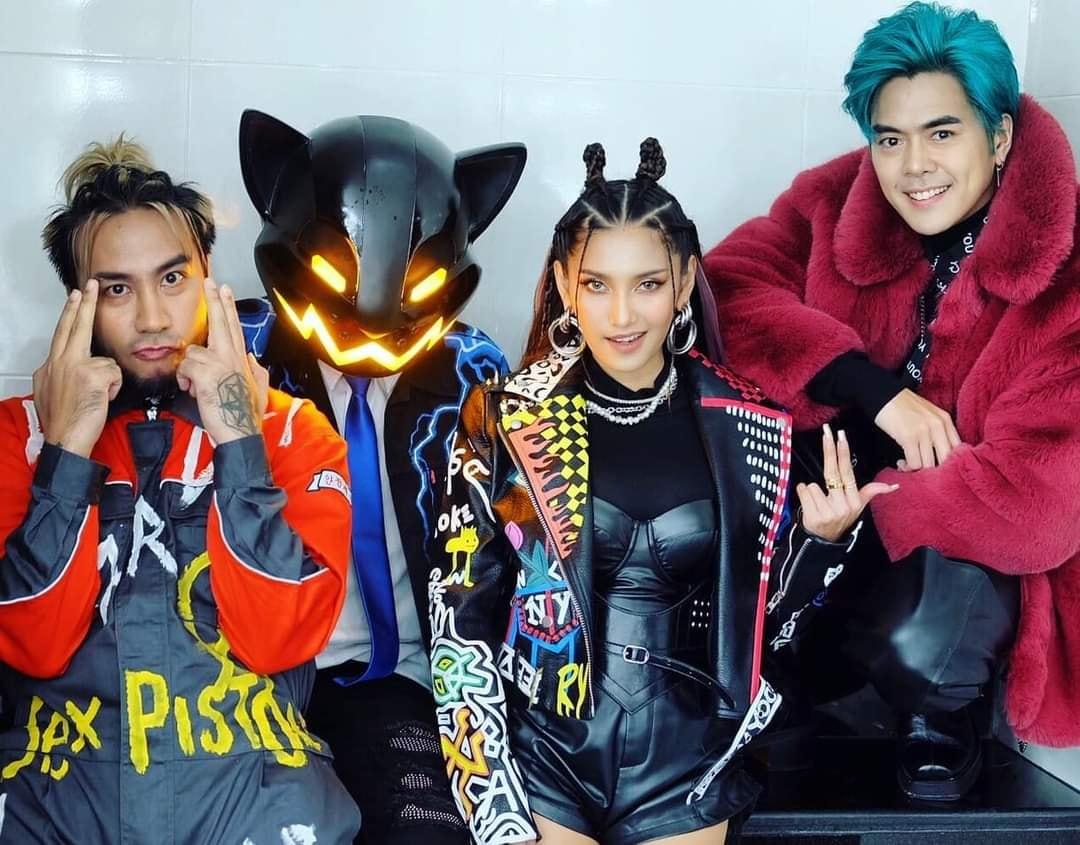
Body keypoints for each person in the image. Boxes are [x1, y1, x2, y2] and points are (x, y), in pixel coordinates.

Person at [429, 139, 892, 845]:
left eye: (647, 284)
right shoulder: (504, 418)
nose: (622, 315)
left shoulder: (749, 423)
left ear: (683, 283)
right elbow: (459, 631)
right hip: (544, 753)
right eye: (597, 285)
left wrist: (822, 545)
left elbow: (765, 634)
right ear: (563, 283)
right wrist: (495, 806)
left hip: (688, 765)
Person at [702, 1, 1080, 801]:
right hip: (822, 535)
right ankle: (787, 682)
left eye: (942, 133)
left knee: (934, 618)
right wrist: (875, 393)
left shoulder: (1066, 272)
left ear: (999, 137)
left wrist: (859, 517)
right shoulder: (839, 199)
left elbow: (1037, 504)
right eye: (890, 139)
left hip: (948, 562)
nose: (914, 167)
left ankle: (940, 711)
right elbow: (722, 289)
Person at [0, 137, 360, 842]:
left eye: (172, 278)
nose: (153, 318)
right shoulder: (18, 435)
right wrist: (66, 453)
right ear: (77, 305)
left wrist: (239, 442)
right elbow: (31, 644)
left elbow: (279, 638)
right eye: (116, 289)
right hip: (56, 803)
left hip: (260, 801)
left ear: (208, 279)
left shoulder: (295, 431)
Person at [236, 109, 526, 843]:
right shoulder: (237, 355)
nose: (369, 324)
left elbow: (513, 542)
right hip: (256, 677)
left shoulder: (474, 371)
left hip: (408, 679)